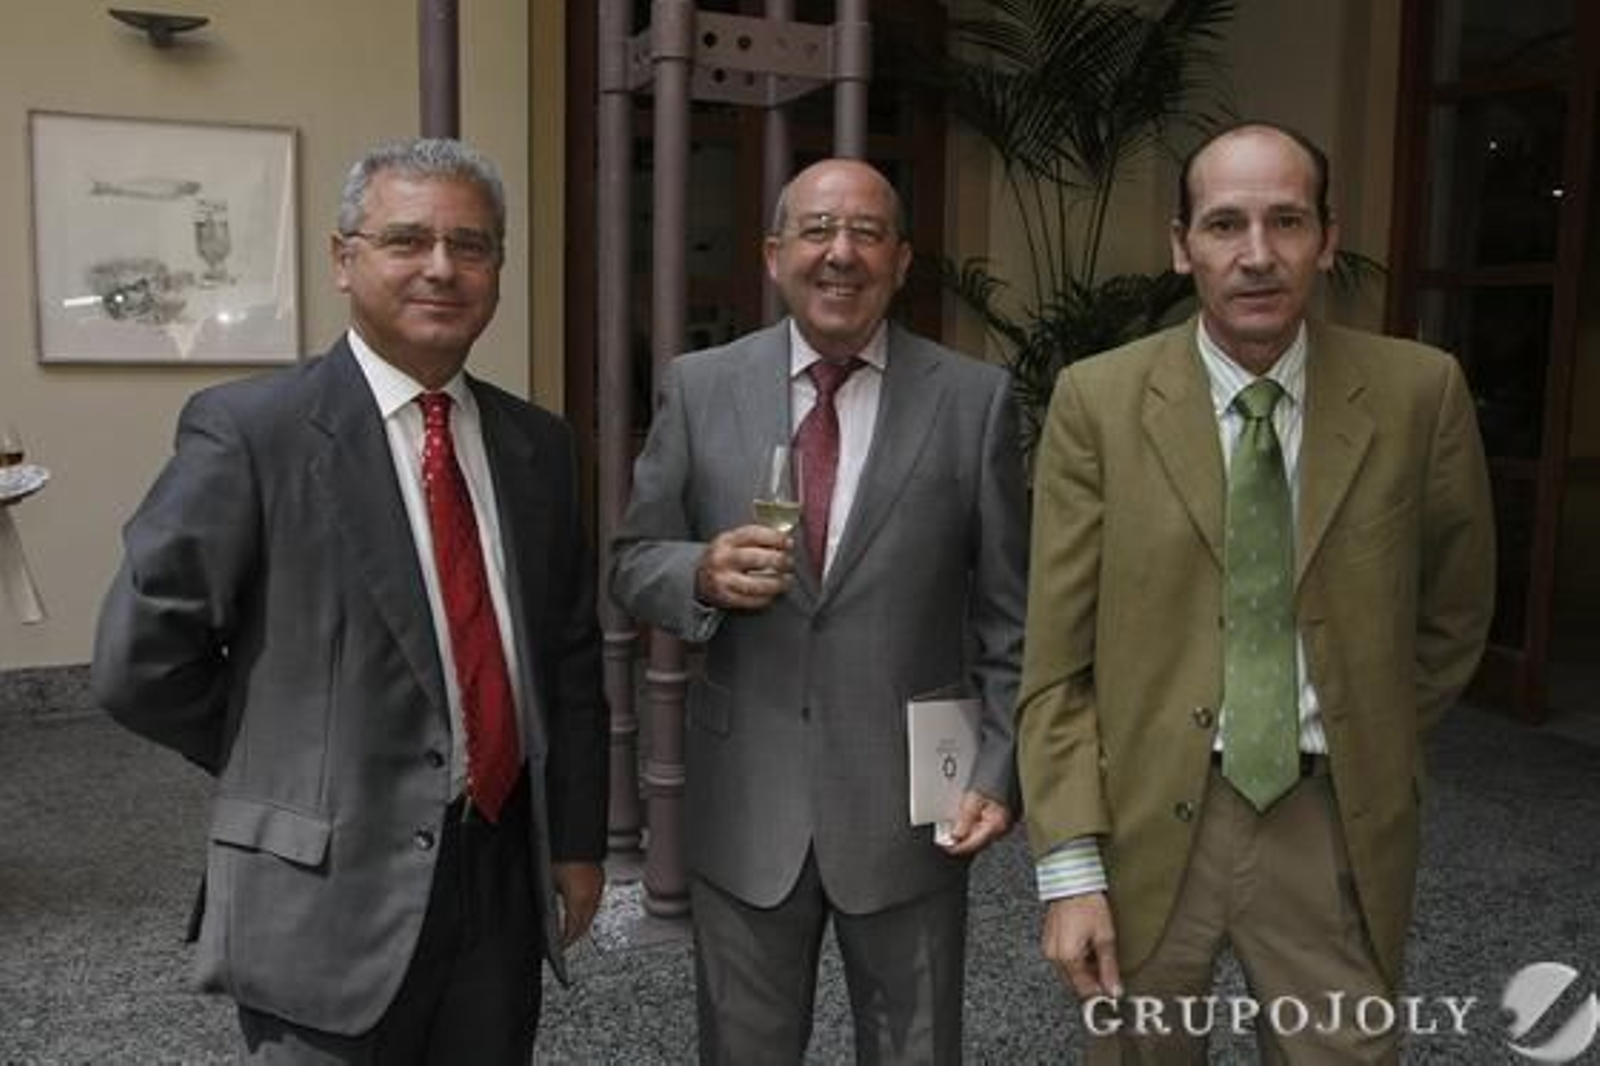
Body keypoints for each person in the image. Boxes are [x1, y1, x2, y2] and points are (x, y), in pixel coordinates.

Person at [91, 138, 609, 1064]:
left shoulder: (540, 447)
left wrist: (574, 841)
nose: (442, 268)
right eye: (407, 240)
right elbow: (141, 661)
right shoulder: (252, 432)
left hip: (496, 878)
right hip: (322, 893)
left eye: (473, 245)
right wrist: (293, 767)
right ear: (344, 259)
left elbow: (568, 661)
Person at [1017, 121, 1495, 1062]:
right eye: (1226, 224)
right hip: (1146, 821)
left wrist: (1371, 723)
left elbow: (1456, 611)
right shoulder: (1097, 404)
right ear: (1181, 243)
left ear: (1326, 234)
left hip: (1329, 822)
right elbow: (1056, 663)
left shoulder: (1418, 394)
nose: (1257, 255)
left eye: (1286, 220)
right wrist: (1069, 866)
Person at [611, 158, 1027, 1064]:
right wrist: (701, 574)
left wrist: (1000, 764)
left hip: (914, 806)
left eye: (868, 234)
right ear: (773, 255)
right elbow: (632, 562)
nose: (841, 254)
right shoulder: (700, 385)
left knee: (915, 1049)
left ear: (904, 260)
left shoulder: (974, 401)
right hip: (746, 797)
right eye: (816, 231)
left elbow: (1011, 614)